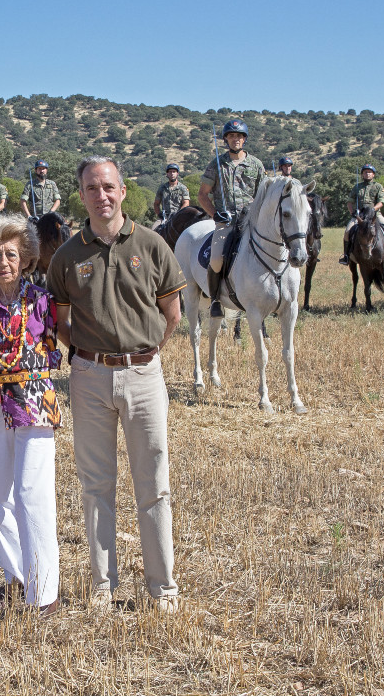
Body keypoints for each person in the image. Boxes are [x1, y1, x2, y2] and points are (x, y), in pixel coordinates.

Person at [46, 155, 186, 613]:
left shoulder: (152, 245)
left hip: (145, 376)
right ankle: (103, 587)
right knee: (96, 486)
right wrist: (92, 359)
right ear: (81, 196)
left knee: (154, 486)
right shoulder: (67, 255)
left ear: (123, 191)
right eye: (92, 188)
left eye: (108, 186)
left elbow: (172, 315)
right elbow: (59, 322)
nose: (101, 195)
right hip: (88, 379)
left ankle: (162, 590)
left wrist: (142, 357)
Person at [0, 213, 63, 616]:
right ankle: (16, 578)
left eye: (11, 254)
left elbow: (53, 349)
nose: (3, 261)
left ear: (25, 259)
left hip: (34, 401)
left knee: (31, 494)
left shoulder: (43, 301)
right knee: (0, 494)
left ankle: (44, 593)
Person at [199, 119, 265, 316]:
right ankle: (215, 299)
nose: (235, 139)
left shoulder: (256, 165)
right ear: (226, 140)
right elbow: (202, 195)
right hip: (226, 223)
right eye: (231, 136)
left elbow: (263, 195)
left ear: (244, 139)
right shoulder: (217, 164)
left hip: (251, 223)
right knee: (216, 260)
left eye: (239, 136)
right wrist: (215, 214)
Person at [341, 164, 384, 265]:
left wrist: (373, 209)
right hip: (360, 216)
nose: (367, 174)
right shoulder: (357, 187)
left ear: (373, 174)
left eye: (369, 172)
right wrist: (352, 212)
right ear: (362, 174)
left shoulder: (378, 186)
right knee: (347, 231)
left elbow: (382, 201)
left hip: (375, 215)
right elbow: (349, 201)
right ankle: (346, 256)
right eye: (365, 172)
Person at [153, 163, 190, 227]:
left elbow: (186, 203)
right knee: (154, 228)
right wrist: (159, 214)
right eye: (170, 172)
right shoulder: (162, 188)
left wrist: (178, 214)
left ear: (177, 173)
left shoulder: (183, 188)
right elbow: (156, 204)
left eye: (174, 172)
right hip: (165, 218)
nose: (172, 174)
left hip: (179, 217)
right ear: (167, 174)